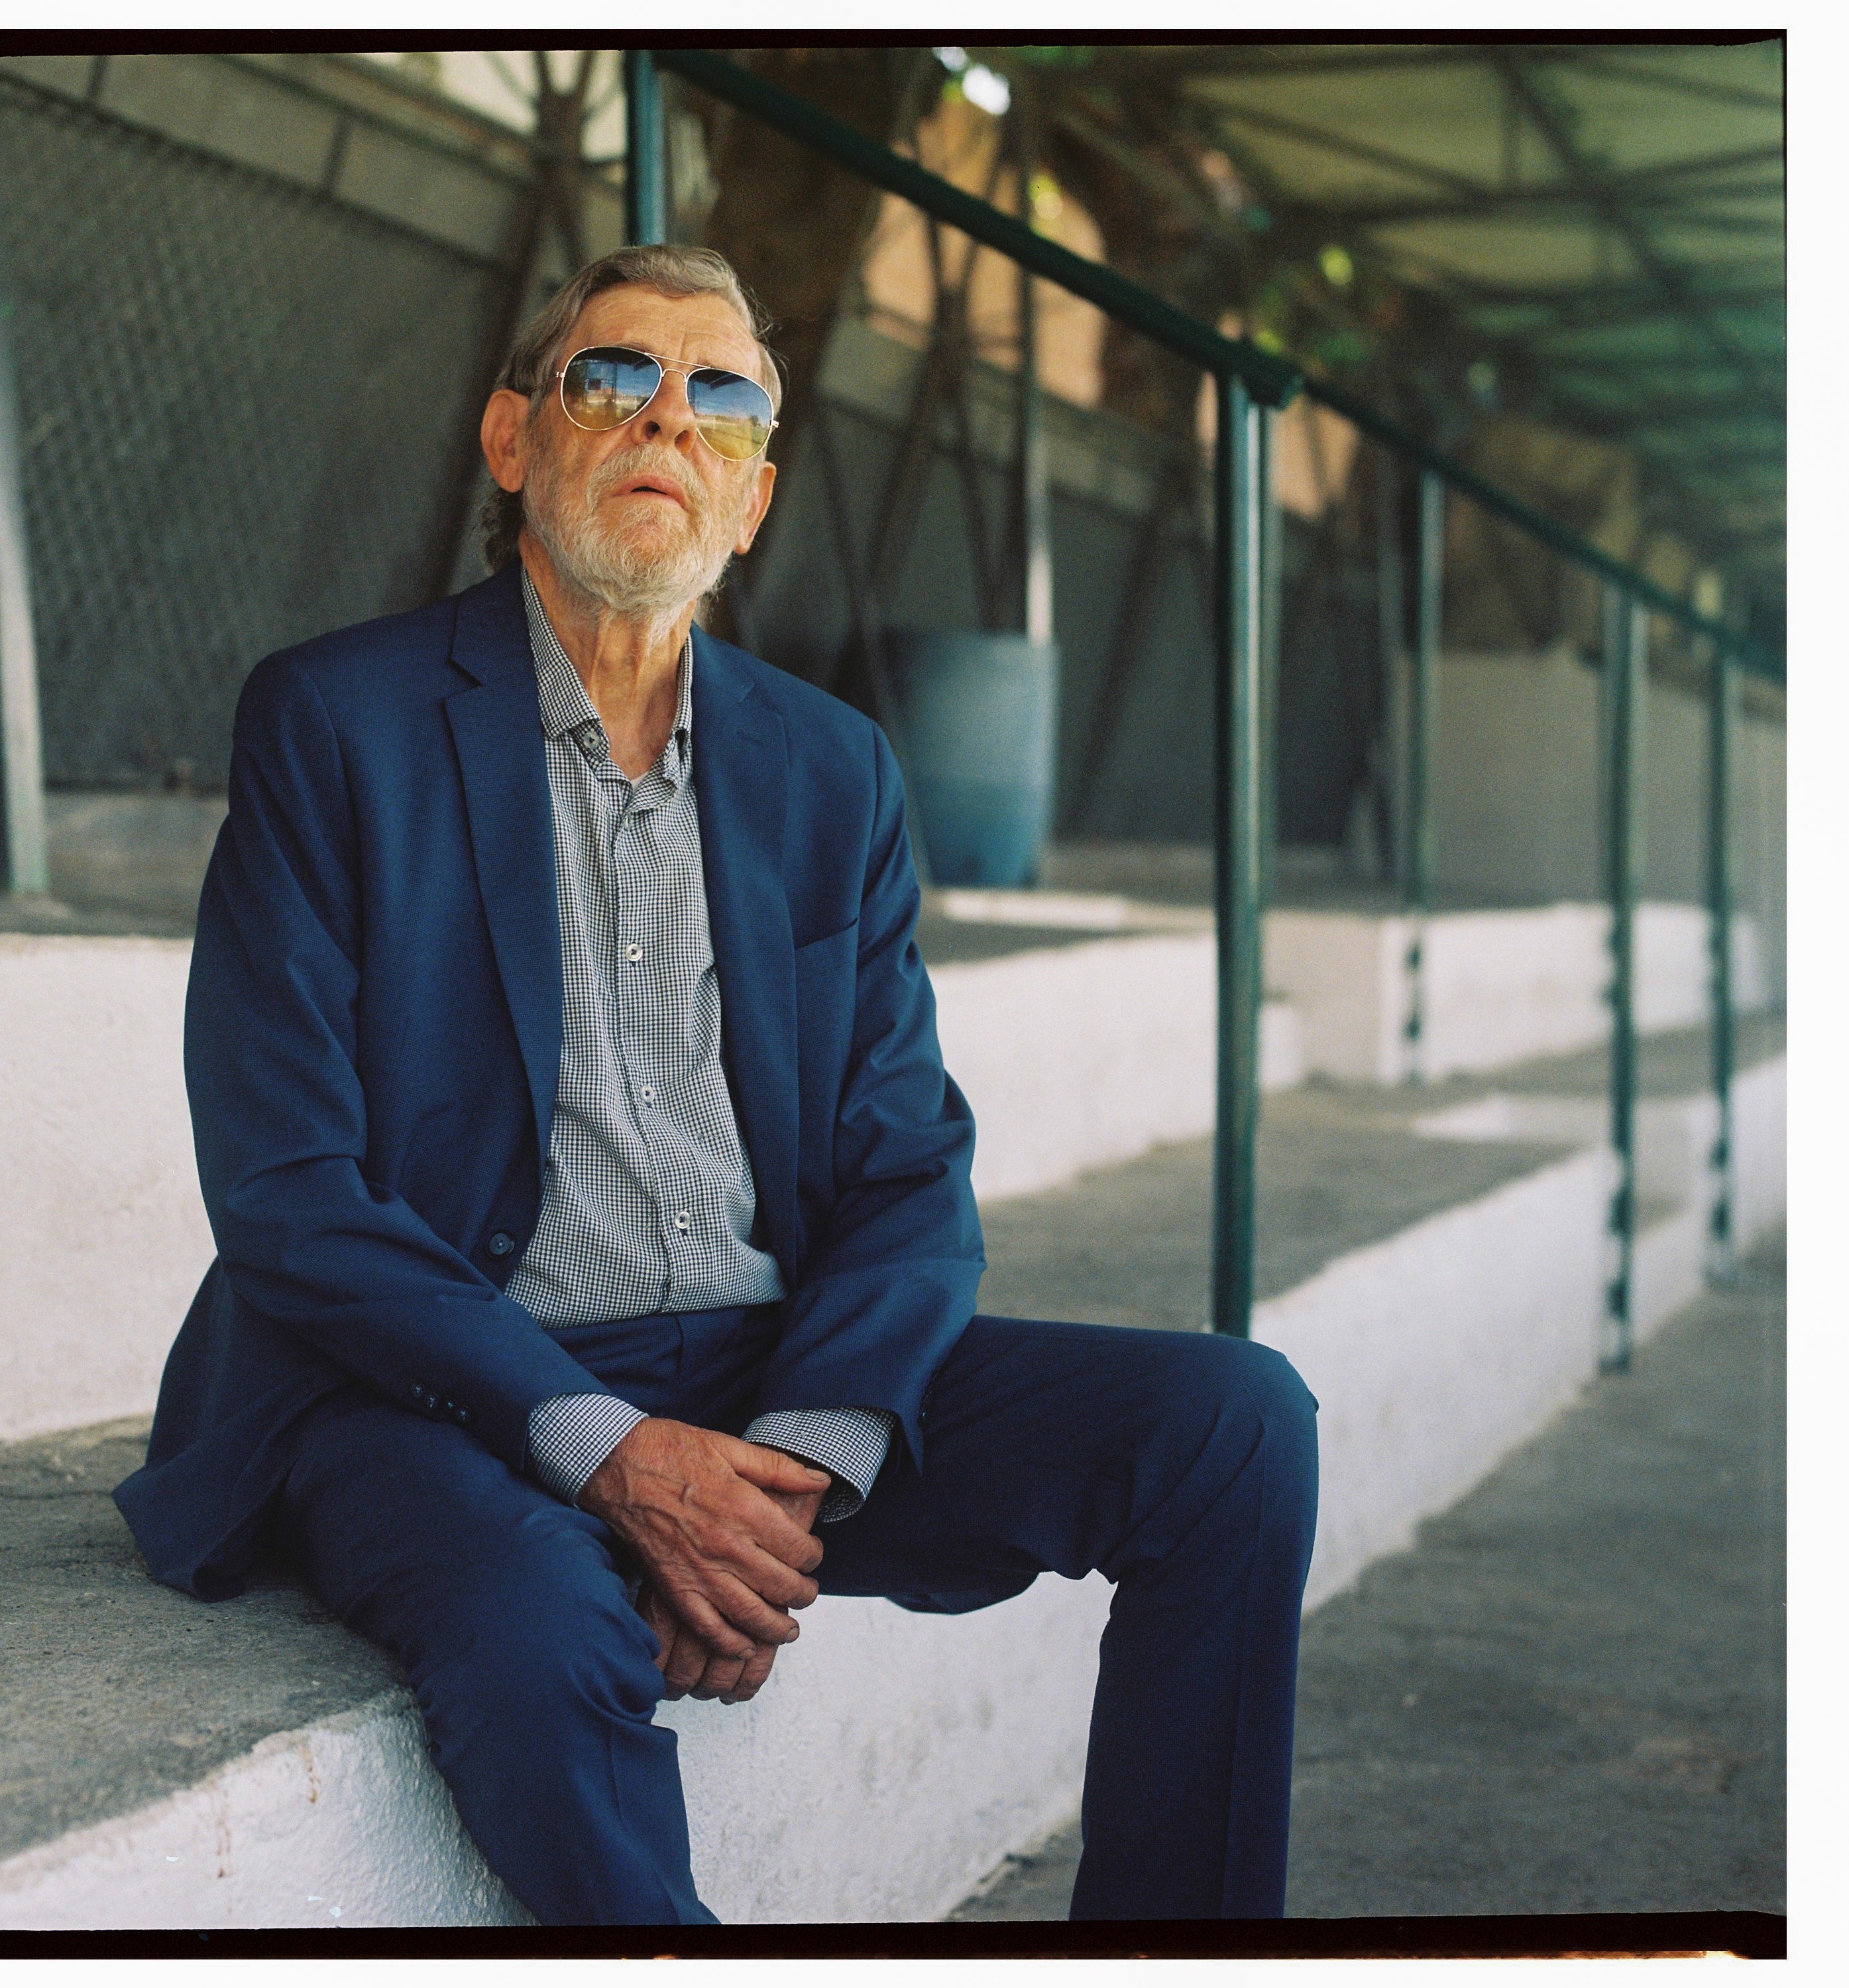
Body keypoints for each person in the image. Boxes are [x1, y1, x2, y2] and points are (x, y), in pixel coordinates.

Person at [115, 244, 1317, 1926]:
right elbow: (287, 1193)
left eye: (723, 397)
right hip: (431, 1384)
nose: (667, 420)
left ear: (752, 499)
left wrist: (784, 1480)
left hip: (760, 1371)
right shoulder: (336, 722)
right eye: (612, 378)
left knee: (1231, 1427)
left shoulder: (834, 770)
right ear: (514, 440)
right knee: (541, 1619)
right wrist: (617, 1461)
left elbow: (908, 1168)